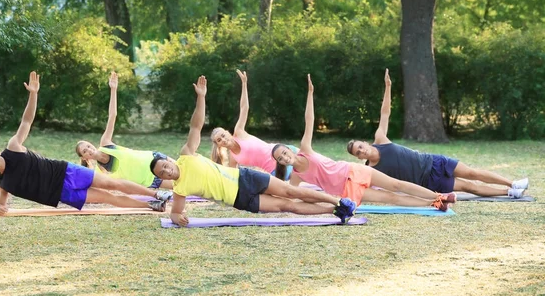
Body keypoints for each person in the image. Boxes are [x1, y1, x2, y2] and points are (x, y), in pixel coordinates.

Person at [150, 75, 358, 227]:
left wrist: (201, 98)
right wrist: (177, 218)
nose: (167, 171)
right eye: (162, 173)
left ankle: (338, 201)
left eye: (165, 166)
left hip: (247, 177)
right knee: (286, 206)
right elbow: (175, 213)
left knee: (291, 192)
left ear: (170, 160)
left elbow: (196, 126)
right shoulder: (179, 189)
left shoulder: (186, 155)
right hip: (240, 199)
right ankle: (335, 211)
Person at [0, 71, 168, 217]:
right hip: (60, 193)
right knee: (108, 197)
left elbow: (26, 121)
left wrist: (33, 94)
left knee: (112, 183)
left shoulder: (13, 147)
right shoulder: (2, 183)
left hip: (65, 171)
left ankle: (156, 194)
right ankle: (151, 206)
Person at [272, 75, 454, 211]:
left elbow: (309, 120)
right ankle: (435, 203)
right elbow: (289, 193)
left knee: (396, 185)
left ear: (290, 150)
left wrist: (310, 94)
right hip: (346, 188)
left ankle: (440, 196)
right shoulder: (296, 177)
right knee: (390, 198)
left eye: (285, 153)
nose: (285, 158)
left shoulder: (305, 150)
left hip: (353, 170)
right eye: (281, 159)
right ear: (281, 163)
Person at [346, 69, 529, 199]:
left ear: (365, 142)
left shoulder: (380, 139)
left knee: (472, 172)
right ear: (358, 157)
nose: (362, 151)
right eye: (358, 153)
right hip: (427, 181)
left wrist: (388, 87)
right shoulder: (371, 169)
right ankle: (509, 193)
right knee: (468, 187)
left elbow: (385, 113)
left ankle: (512, 183)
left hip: (434, 161)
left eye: (360, 147)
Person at [75, 71, 173, 200]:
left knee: (185, 169)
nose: (89, 149)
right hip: (149, 179)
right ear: (85, 158)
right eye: (85, 151)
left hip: (153, 158)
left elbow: (112, 115)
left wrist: (113, 89)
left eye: (88, 146)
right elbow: (94, 189)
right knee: (183, 185)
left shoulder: (105, 144)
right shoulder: (101, 172)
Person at [210, 70, 298, 179]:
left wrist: (244, 84)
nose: (223, 139)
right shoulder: (233, 157)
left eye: (223, 135)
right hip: (275, 171)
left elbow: (244, 108)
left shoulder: (239, 132)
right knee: (295, 181)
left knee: (312, 163)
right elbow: (232, 176)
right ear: (219, 145)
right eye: (219, 140)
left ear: (228, 133)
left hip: (283, 151)